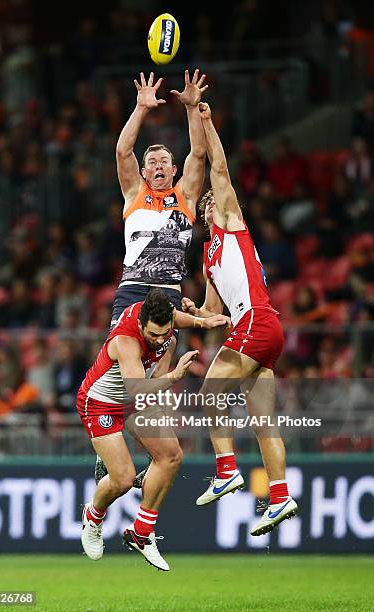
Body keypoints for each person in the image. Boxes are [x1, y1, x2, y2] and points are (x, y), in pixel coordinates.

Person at [182, 103, 298, 536]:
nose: (210, 203)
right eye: (207, 203)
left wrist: (206, 121)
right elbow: (214, 312)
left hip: (258, 321)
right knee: (263, 422)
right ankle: (281, 496)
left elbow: (220, 170)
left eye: (213, 200)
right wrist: (193, 313)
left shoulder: (232, 223)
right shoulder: (210, 261)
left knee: (211, 392)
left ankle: (227, 470)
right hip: (263, 330)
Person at [95, 68, 208, 484]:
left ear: (174, 170)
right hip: (133, 293)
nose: (158, 166)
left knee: (157, 384)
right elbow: (122, 151)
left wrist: (193, 108)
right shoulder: (134, 194)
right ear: (144, 173)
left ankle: (144, 458)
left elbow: (200, 155)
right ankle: (112, 448)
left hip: (170, 295)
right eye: (152, 163)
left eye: (164, 161)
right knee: (127, 375)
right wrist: (141, 109)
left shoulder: (187, 197)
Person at [78, 288, 229, 570]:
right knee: (123, 479)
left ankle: (141, 532)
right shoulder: (126, 340)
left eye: (164, 334)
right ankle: (93, 516)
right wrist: (174, 376)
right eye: (153, 335)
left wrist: (203, 322)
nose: (160, 340)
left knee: (171, 456)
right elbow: (138, 390)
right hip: (102, 403)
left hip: (136, 397)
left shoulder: (161, 320)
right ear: (140, 325)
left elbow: (177, 320)